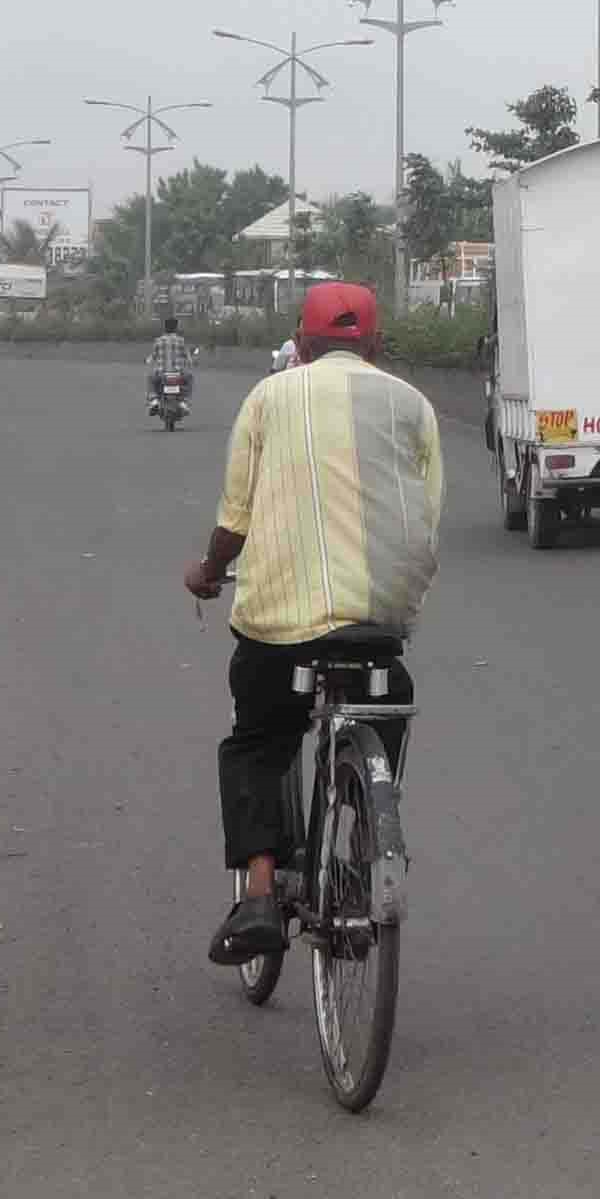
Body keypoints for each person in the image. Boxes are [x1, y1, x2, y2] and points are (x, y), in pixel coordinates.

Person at [181, 279, 441, 970]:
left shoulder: (269, 396)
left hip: (281, 626)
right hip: (379, 624)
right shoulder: (412, 406)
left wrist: (208, 569)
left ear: (300, 342)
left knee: (258, 740)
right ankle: (360, 812)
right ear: (377, 345)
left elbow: (235, 519)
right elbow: (426, 517)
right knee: (387, 698)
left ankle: (261, 892)